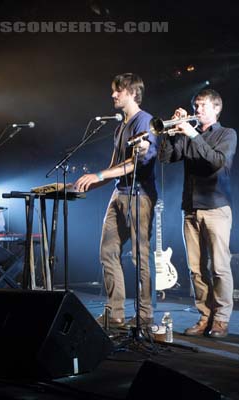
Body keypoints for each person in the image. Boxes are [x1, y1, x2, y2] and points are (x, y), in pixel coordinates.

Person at [75, 73, 158, 329]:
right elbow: (114, 166)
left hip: (140, 195)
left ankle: (145, 316)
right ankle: (116, 313)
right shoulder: (121, 126)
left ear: (133, 92)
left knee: (140, 258)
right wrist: (82, 183)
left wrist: (99, 175)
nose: (113, 95)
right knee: (107, 252)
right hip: (118, 193)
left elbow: (134, 164)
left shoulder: (146, 122)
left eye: (118, 90)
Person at [160, 89, 237, 338]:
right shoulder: (188, 134)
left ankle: (221, 320)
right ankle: (205, 316)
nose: (197, 109)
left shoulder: (227, 134)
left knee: (219, 267)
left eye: (203, 105)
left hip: (216, 207)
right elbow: (166, 157)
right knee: (195, 269)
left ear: (216, 108)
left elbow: (215, 161)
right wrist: (171, 132)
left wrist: (191, 133)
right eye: (196, 105)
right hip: (190, 208)